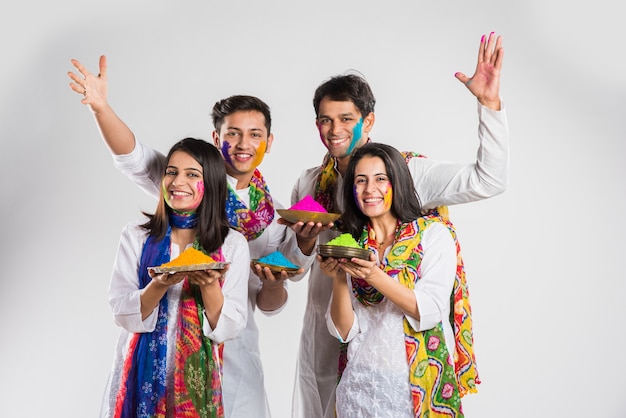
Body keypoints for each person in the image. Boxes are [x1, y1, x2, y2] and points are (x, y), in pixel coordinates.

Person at [68, 59, 319, 418]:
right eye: (232, 133)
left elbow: (270, 302)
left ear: (269, 141)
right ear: (217, 138)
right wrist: (102, 107)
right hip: (156, 347)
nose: (243, 144)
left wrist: (301, 250)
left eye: (255, 135)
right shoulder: (185, 179)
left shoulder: (276, 217)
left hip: (233, 346)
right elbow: (133, 156)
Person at [287, 31, 507, 417]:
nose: (335, 129)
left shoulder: (406, 173)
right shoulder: (308, 183)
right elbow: (296, 267)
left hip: (401, 345)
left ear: (368, 120)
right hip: (332, 325)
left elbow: (487, 180)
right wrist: (304, 248)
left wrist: (489, 106)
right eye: (325, 120)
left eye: (346, 118)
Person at [318, 142, 475, 417]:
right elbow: (344, 332)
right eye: (360, 181)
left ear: (398, 182)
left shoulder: (433, 235)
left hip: (413, 388)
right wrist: (338, 278)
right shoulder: (352, 243)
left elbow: (430, 311)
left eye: (381, 179)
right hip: (358, 387)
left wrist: (374, 275)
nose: (370, 190)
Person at [103, 137, 250, 417]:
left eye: (192, 174)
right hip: (140, 374)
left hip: (198, 384)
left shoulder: (231, 245)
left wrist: (209, 287)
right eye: (172, 172)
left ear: (213, 184)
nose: (177, 182)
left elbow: (230, 328)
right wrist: (158, 285)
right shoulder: (137, 235)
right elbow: (121, 312)